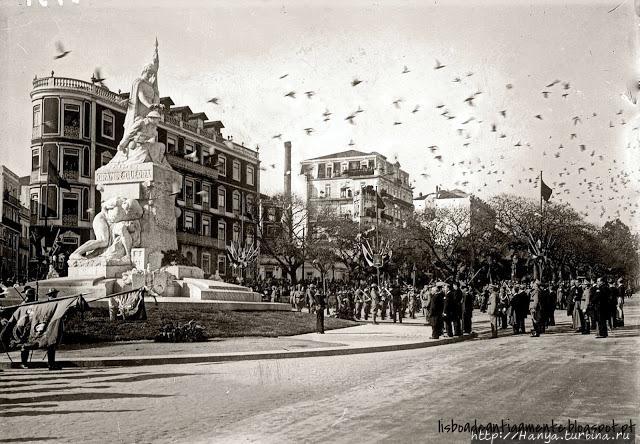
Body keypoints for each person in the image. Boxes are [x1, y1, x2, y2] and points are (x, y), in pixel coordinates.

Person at [19, 287, 37, 369]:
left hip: (33, 325)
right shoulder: (23, 304)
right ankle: (23, 362)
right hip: (24, 326)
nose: (29, 298)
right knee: (24, 345)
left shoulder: (36, 304)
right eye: (28, 296)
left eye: (31, 296)